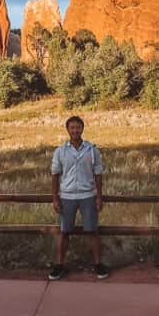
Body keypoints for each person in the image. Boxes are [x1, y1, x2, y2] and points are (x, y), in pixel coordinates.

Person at [49, 115, 109, 280]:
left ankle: (98, 264)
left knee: (92, 231)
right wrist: (55, 198)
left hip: (87, 195)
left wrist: (99, 197)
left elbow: (98, 174)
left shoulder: (92, 150)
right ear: (67, 130)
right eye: (72, 127)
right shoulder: (60, 151)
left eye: (78, 127)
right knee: (65, 232)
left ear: (82, 129)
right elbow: (55, 175)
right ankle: (60, 265)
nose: (75, 130)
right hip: (67, 196)